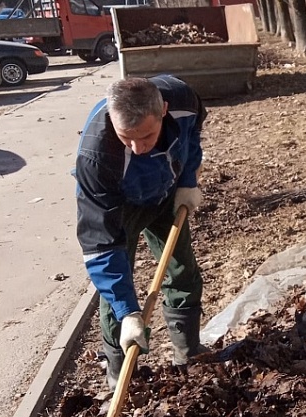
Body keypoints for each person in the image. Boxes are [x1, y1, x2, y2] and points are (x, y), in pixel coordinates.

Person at [74, 75, 207, 390]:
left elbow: (193, 134)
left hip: (167, 192)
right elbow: (102, 245)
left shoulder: (184, 99)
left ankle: (188, 354)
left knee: (182, 269)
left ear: (163, 109)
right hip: (120, 208)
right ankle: (121, 376)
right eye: (126, 137)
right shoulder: (96, 157)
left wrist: (188, 178)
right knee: (117, 296)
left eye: (146, 136)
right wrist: (128, 312)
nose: (138, 147)